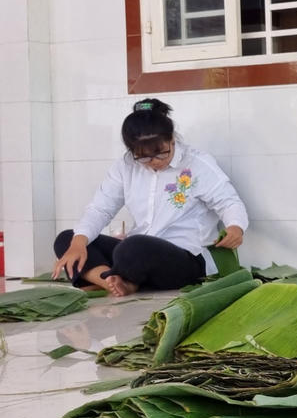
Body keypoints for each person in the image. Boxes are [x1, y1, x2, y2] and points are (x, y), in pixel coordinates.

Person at [51, 98, 249, 297]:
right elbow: (100, 209)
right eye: (143, 157)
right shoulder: (125, 166)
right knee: (69, 238)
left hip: (185, 258)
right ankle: (112, 281)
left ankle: (116, 279)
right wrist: (79, 243)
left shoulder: (197, 163)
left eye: (161, 153)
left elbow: (228, 201)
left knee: (132, 247)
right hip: (137, 255)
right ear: (132, 151)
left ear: (172, 139)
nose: (154, 162)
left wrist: (235, 227)